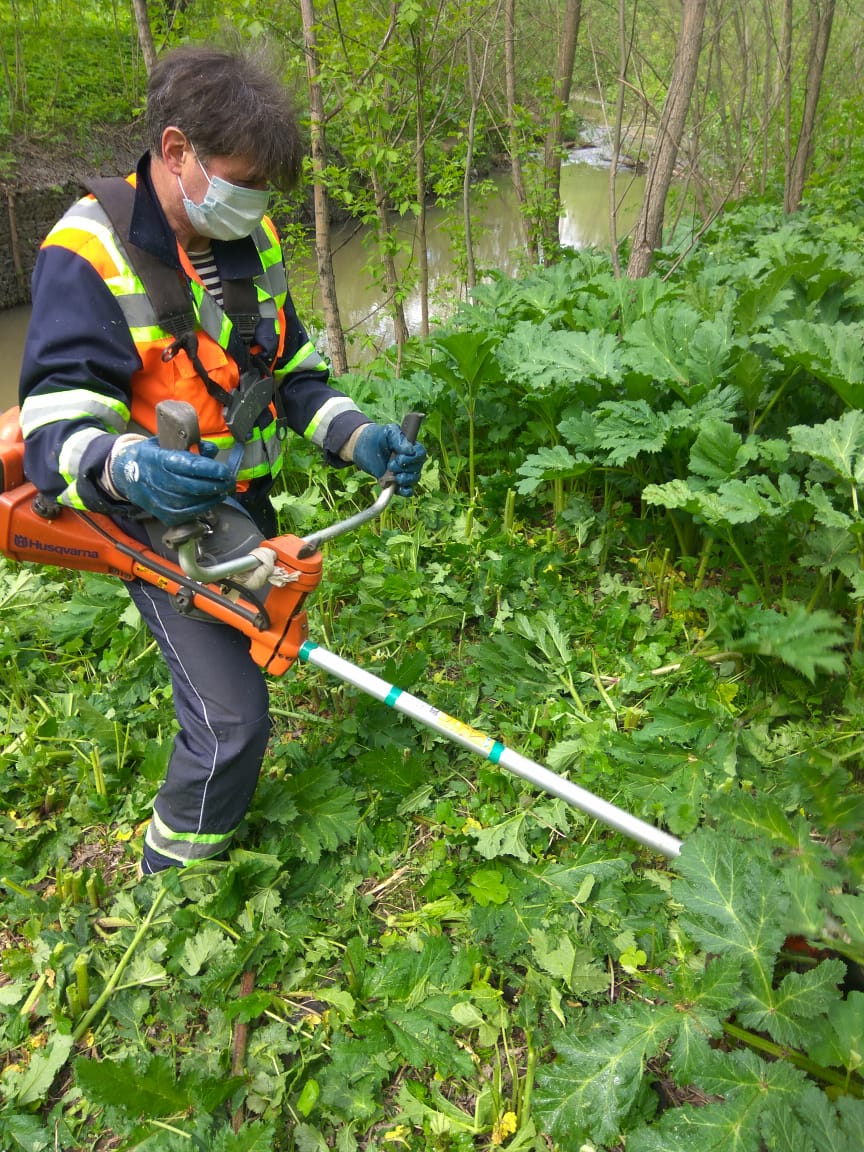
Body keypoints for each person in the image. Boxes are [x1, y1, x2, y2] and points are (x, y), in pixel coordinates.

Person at [18, 42, 426, 875]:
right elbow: (55, 421)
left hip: (240, 507)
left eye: (263, 189)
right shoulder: (86, 250)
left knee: (251, 644)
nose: (255, 203)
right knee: (233, 719)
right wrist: (130, 467)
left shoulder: (251, 236)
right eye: (241, 181)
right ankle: (172, 879)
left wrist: (363, 438)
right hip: (151, 518)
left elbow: (293, 376)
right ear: (177, 151)